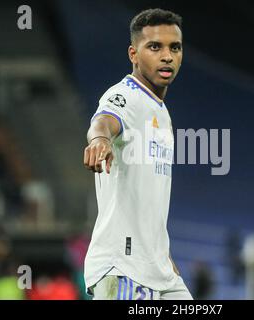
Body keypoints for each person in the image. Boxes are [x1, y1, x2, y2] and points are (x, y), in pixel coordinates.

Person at [82, 8, 192, 300]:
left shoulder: (161, 112)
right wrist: (100, 140)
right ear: (133, 54)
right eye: (155, 47)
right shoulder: (125, 95)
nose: (167, 55)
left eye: (175, 47)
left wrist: (162, 254)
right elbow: (103, 121)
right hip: (123, 268)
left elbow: (148, 198)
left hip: (159, 271)